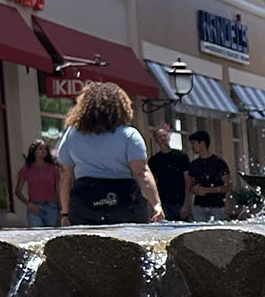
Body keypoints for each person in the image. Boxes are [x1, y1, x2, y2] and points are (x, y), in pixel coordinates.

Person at [55, 83, 164, 226]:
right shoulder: (129, 135)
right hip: (124, 200)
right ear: (121, 107)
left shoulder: (72, 134)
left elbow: (65, 175)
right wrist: (156, 204)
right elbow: (141, 173)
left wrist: (65, 212)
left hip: (85, 200)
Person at [148, 126, 192, 222]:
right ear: (155, 140)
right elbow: (151, 182)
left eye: (164, 135)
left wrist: (187, 203)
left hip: (180, 202)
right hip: (164, 203)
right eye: (159, 136)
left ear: (169, 136)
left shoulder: (181, 157)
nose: (162, 138)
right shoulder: (154, 161)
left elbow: (188, 181)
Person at [187, 130, 232, 223]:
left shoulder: (219, 163)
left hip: (217, 206)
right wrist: (195, 189)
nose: (192, 147)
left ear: (202, 143)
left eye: (194, 143)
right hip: (199, 206)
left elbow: (228, 186)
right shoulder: (194, 164)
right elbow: (190, 185)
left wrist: (207, 190)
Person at [14, 140, 61, 228]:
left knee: (52, 234)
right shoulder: (27, 169)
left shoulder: (53, 169)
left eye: (45, 149)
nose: (43, 151)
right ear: (34, 151)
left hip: (51, 205)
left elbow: (58, 188)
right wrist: (29, 204)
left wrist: (61, 207)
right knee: (36, 234)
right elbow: (18, 191)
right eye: (40, 149)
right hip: (34, 206)